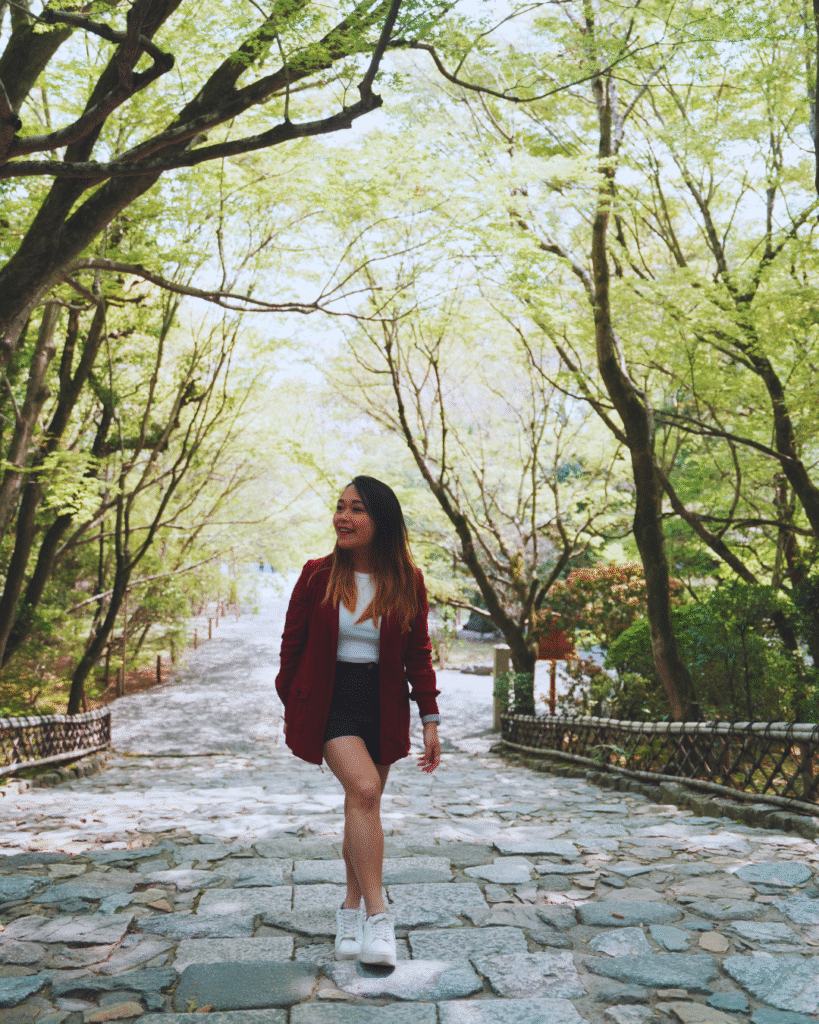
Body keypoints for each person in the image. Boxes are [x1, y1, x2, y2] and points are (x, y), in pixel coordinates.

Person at [275, 475, 441, 967]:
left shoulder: (407, 580)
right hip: (331, 700)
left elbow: (418, 653)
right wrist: (296, 701)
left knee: (361, 805)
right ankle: (379, 918)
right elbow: (290, 647)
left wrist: (429, 717)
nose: (343, 517)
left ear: (381, 520)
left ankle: (348, 912)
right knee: (366, 791)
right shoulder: (317, 575)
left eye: (357, 509)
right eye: (340, 507)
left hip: (382, 703)